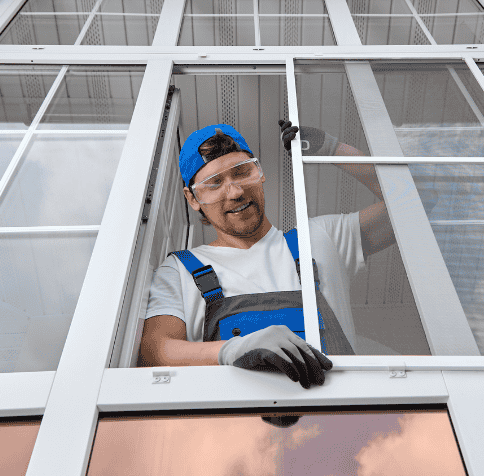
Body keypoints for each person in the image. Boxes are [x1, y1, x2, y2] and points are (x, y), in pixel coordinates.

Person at [139, 121, 394, 388]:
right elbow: (154, 351)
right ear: (193, 198)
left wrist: (332, 148)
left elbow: (410, 204)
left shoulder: (318, 239)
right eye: (214, 184)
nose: (236, 192)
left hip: (342, 411)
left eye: (242, 172)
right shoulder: (180, 270)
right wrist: (231, 349)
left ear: (259, 172)